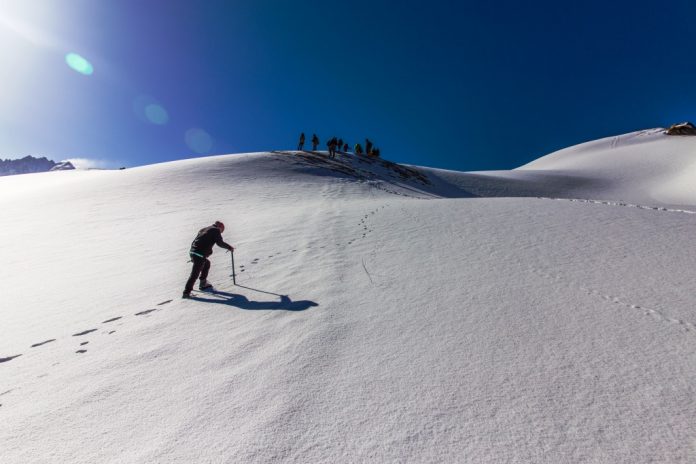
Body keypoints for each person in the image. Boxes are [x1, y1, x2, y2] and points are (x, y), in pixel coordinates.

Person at [183, 221, 234, 298]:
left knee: (206, 264)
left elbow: (195, 241)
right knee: (194, 274)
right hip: (199, 254)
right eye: (222, 231)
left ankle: (203, 283)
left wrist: (193, 253)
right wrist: (229, 247)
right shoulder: (215, 230)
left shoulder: (204, 229)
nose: (221, 232)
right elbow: (219, 243)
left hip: (193, 252)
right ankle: (186, 292)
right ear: (220, 227)